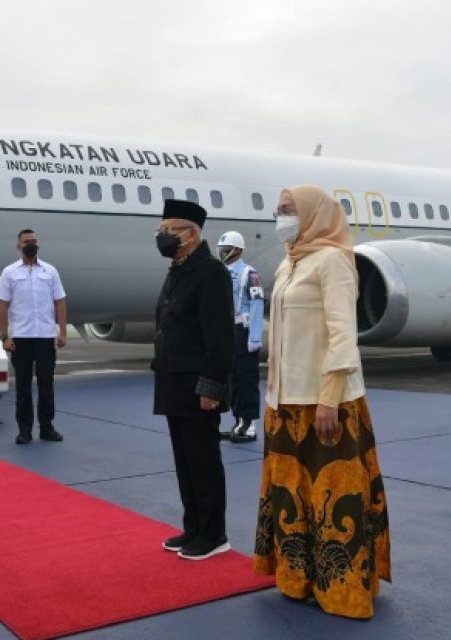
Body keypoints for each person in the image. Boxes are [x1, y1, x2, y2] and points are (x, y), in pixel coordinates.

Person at [253, 184, 391, 619]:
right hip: (285, 402)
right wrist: (272, 395)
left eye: (289, 210)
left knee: (333, 497)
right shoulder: (289, 263)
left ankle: (342, 589)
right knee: (292, 496)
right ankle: (297, 577)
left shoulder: (332, 260)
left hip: (323, 402)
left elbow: (342, 335)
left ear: (313, 213)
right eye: (279, 210)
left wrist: (329, 399)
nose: (281, 217)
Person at [153, 200, 235, 560]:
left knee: (203, 461)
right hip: (173, 381)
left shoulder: (210, 272)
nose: (165, 236)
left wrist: (211, 387)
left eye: (171, 230)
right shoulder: (178, 268)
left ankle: (214, 534)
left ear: (192, 233)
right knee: (184, 460)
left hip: (197, 385)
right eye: (162, 230)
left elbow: (220, 338)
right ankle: (193, 528)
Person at [0, 229, 67, 445]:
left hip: (45, 336)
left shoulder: (50, 271)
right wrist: (4, 336)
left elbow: (60, 302)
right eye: (27, 241)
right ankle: (24, 430)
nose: (31, 244)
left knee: (47, 385)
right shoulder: (9, 272)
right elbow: (2, 304)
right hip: (21, 339)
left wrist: (62, 331)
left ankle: (47, 428)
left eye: (34, 241)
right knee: (23, 387)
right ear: (19, 246)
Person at [216, 230, 264, 443]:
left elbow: (257, 303)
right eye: (222, 249)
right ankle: (238, 420)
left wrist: (254, 337)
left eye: (227, 249)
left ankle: (250, 423)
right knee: (232, 378)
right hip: (227, 329)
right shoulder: (220, 271)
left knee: (246, 377)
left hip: (243, 329)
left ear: (238, 250)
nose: (223, 253)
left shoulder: (249, 273)